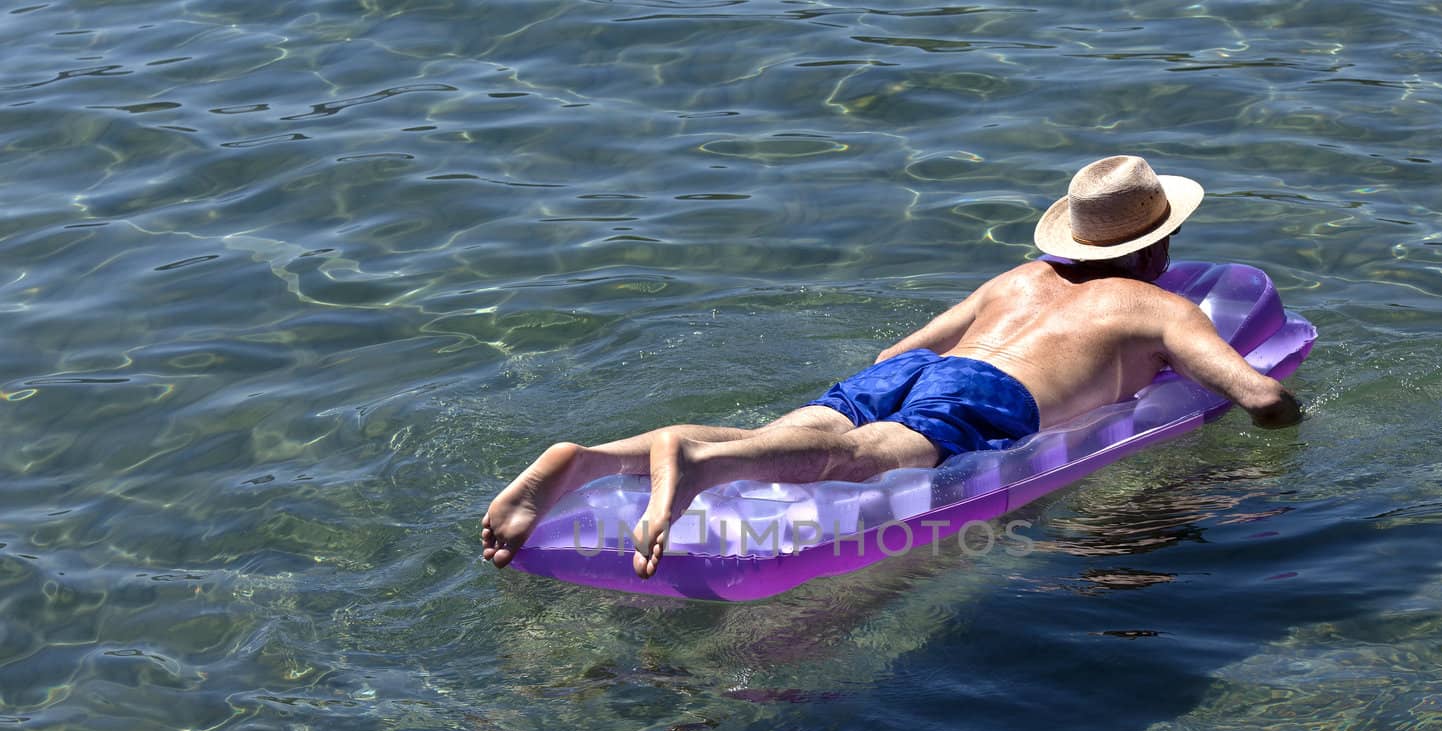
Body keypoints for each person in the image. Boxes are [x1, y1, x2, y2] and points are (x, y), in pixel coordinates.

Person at [482, 154, 1301, 578]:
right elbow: (1257, 392)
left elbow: (895, 356)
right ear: (1158, 243)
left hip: (913, 377)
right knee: (866, 462)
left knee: (810, 433)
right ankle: (699, 462)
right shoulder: (1155, 304)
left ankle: (594, 459)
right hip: (991, 399)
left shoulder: (1018, 279)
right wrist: (1291, 429)